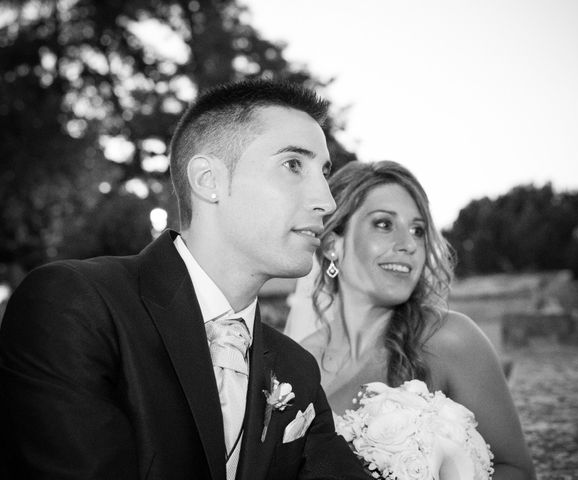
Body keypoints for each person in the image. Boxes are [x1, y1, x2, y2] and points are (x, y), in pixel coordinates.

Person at [0, 80, 370, 480]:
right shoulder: (73, 307)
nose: (327, 202)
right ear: (208, 180)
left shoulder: (296, 368)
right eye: (293, 165)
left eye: (325, 172)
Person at [285, 160, 537, 480]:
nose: (408, 245)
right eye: (384, 224)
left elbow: (516, 470)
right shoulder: (298, 364)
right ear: (334, 245)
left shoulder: (450, 339)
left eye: (417, 230)